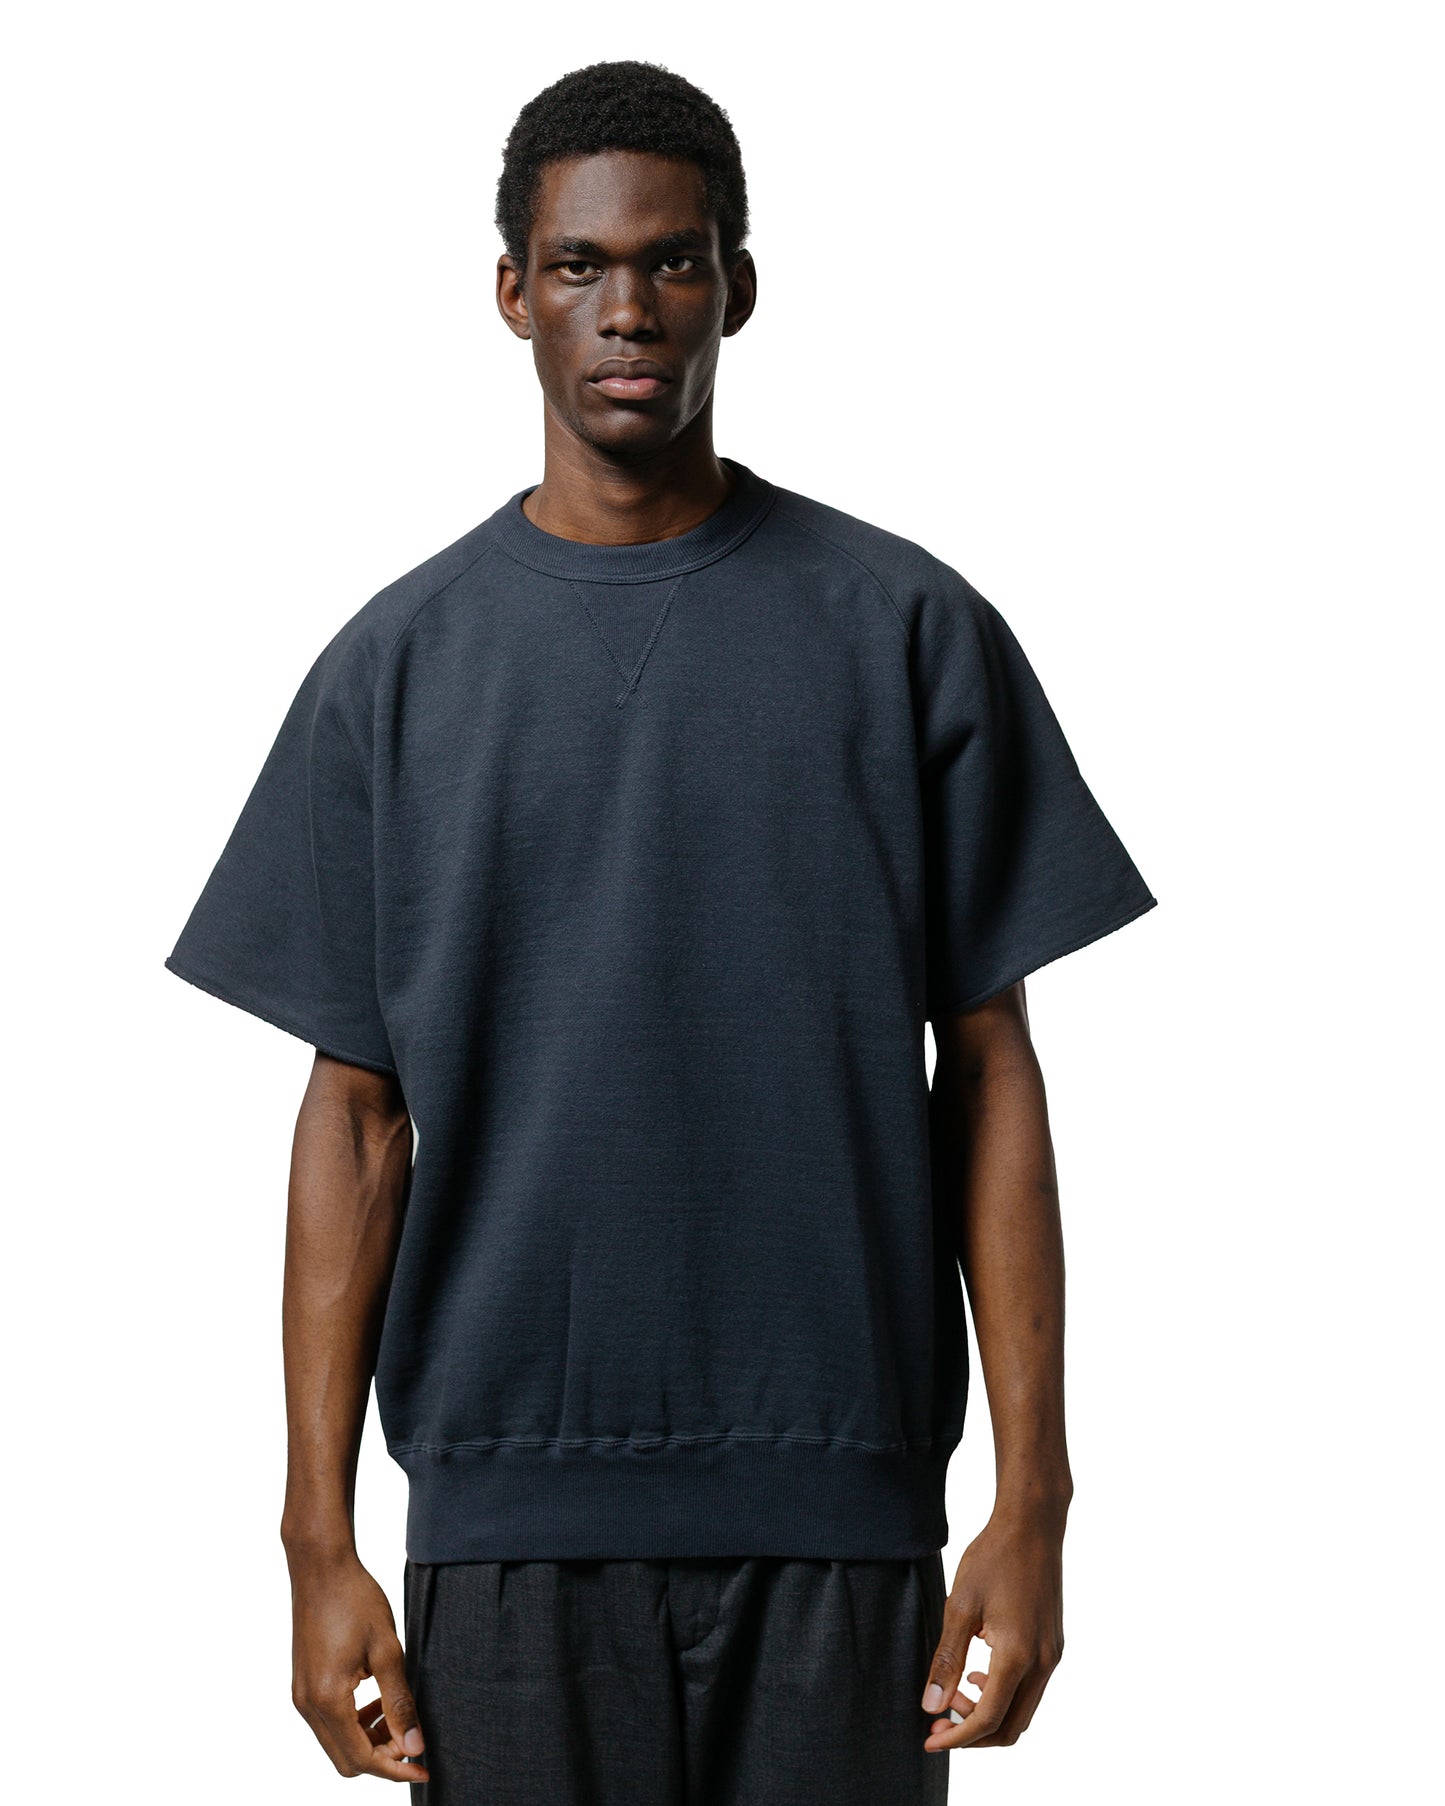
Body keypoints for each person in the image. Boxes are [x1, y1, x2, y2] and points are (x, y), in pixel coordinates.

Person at [164, 58, 1157, 1805]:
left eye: (672, 262)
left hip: (842, 1515)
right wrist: (317, 1540)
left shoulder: (905, 631)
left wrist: (1035, 1498)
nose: (627, 309)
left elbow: (991, 1070)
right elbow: (353, 1114)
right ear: (511, 292)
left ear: (735, 287)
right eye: (579, 265)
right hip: (506, 1524)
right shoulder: (396, 672)